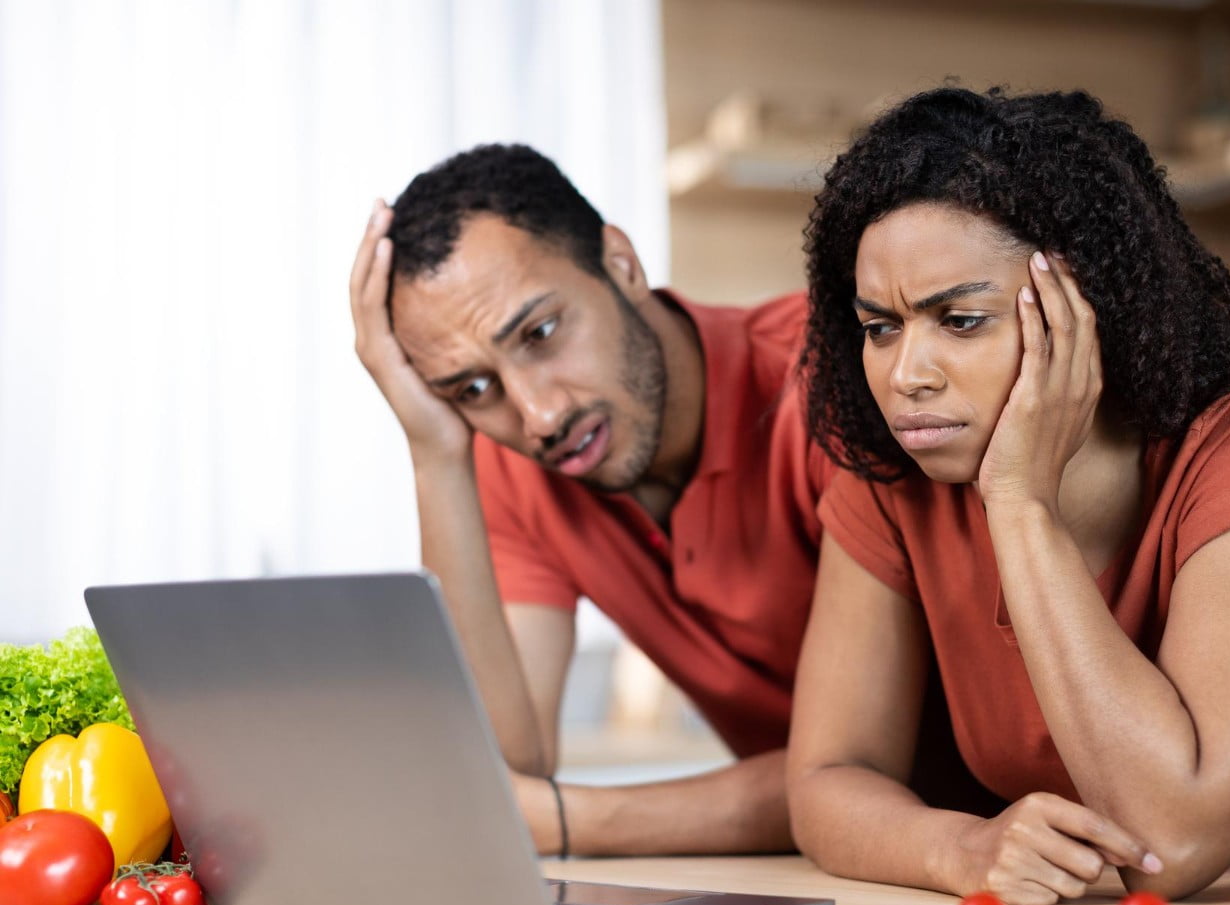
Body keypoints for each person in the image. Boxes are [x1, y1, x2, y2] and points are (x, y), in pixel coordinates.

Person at [787, 86, 1230, 904]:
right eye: (881, 327)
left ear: (1083, 307)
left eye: (961, 320)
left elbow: (1173, 840)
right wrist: (961, 849)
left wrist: (1019, 503)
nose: (907, 374)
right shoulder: (897, 480)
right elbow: (828, 776)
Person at [348, 143, 994, 858]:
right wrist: (435, 452)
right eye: (472, 388)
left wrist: (573, 823)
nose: (537, 415)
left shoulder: (839, 380)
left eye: (540, 334)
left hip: (1007, 858)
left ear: (621, 264)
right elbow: (498, 771)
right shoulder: (520, 465)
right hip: (834, 882)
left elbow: (876, 773)